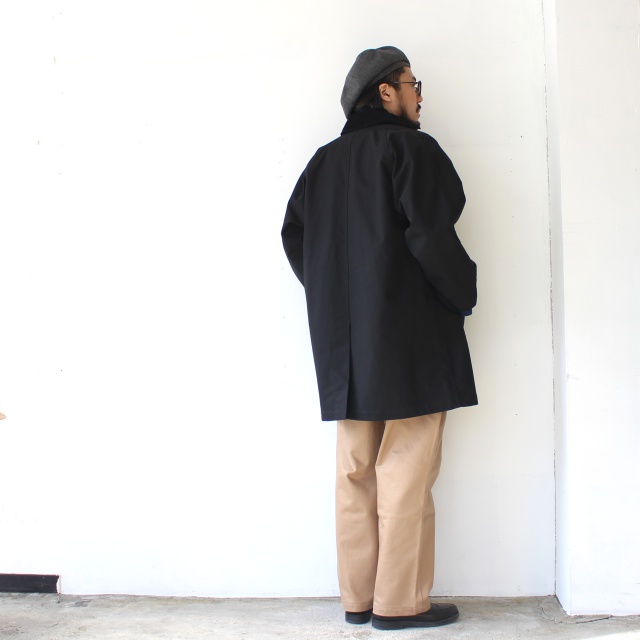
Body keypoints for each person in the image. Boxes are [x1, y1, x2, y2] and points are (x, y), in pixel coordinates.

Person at [281, 46, 477, 631]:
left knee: (355, 470)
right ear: (386, 91)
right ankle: (400, 603)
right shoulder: (411, 149)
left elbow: (294, 234)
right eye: (413, 84)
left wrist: (332, 293)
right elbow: (432, 235)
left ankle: (359, 599)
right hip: (410, 334)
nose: (420, 95)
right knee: (406, 469)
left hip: (343, 344)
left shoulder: (321, 164)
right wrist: (461, 294)